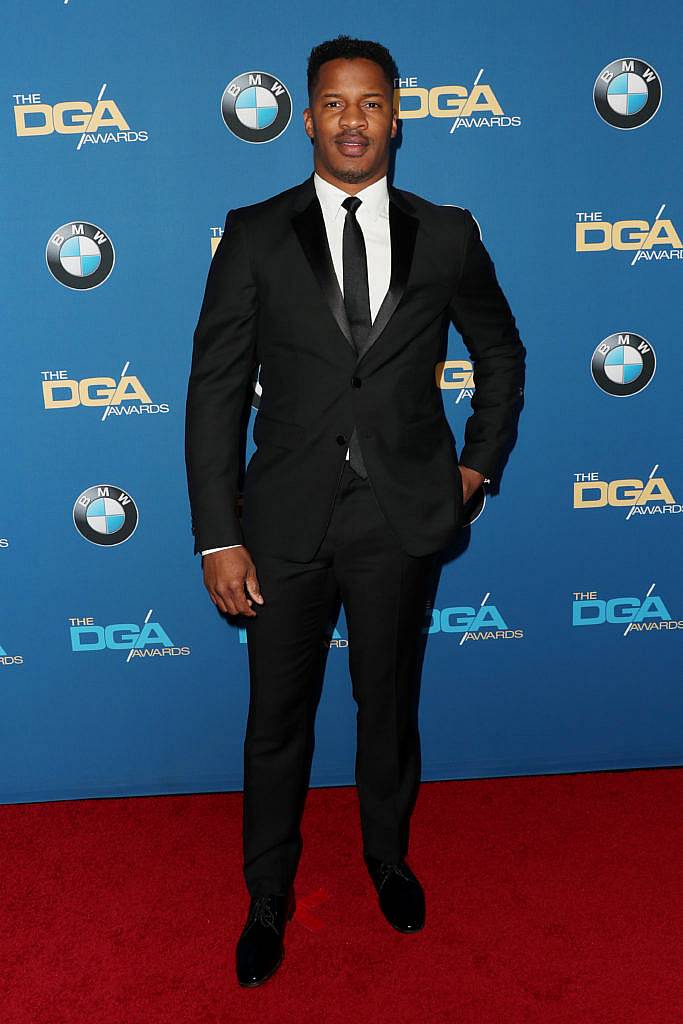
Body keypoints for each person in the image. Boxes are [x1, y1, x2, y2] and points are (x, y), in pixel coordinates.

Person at [185, 34, 526, 987]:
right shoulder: (254, 233)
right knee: (275, 719)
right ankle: (266, 897)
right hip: (283, 523)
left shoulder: (447, 232)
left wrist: (476, 467)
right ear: (306, 117)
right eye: (333, 103)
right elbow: (214, 390)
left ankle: (387, 858)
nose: (351, 120)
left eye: (369, 103)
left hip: (401, 519)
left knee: (389, 708)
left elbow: (501, 353)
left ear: (395, 118)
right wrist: (220, 532)